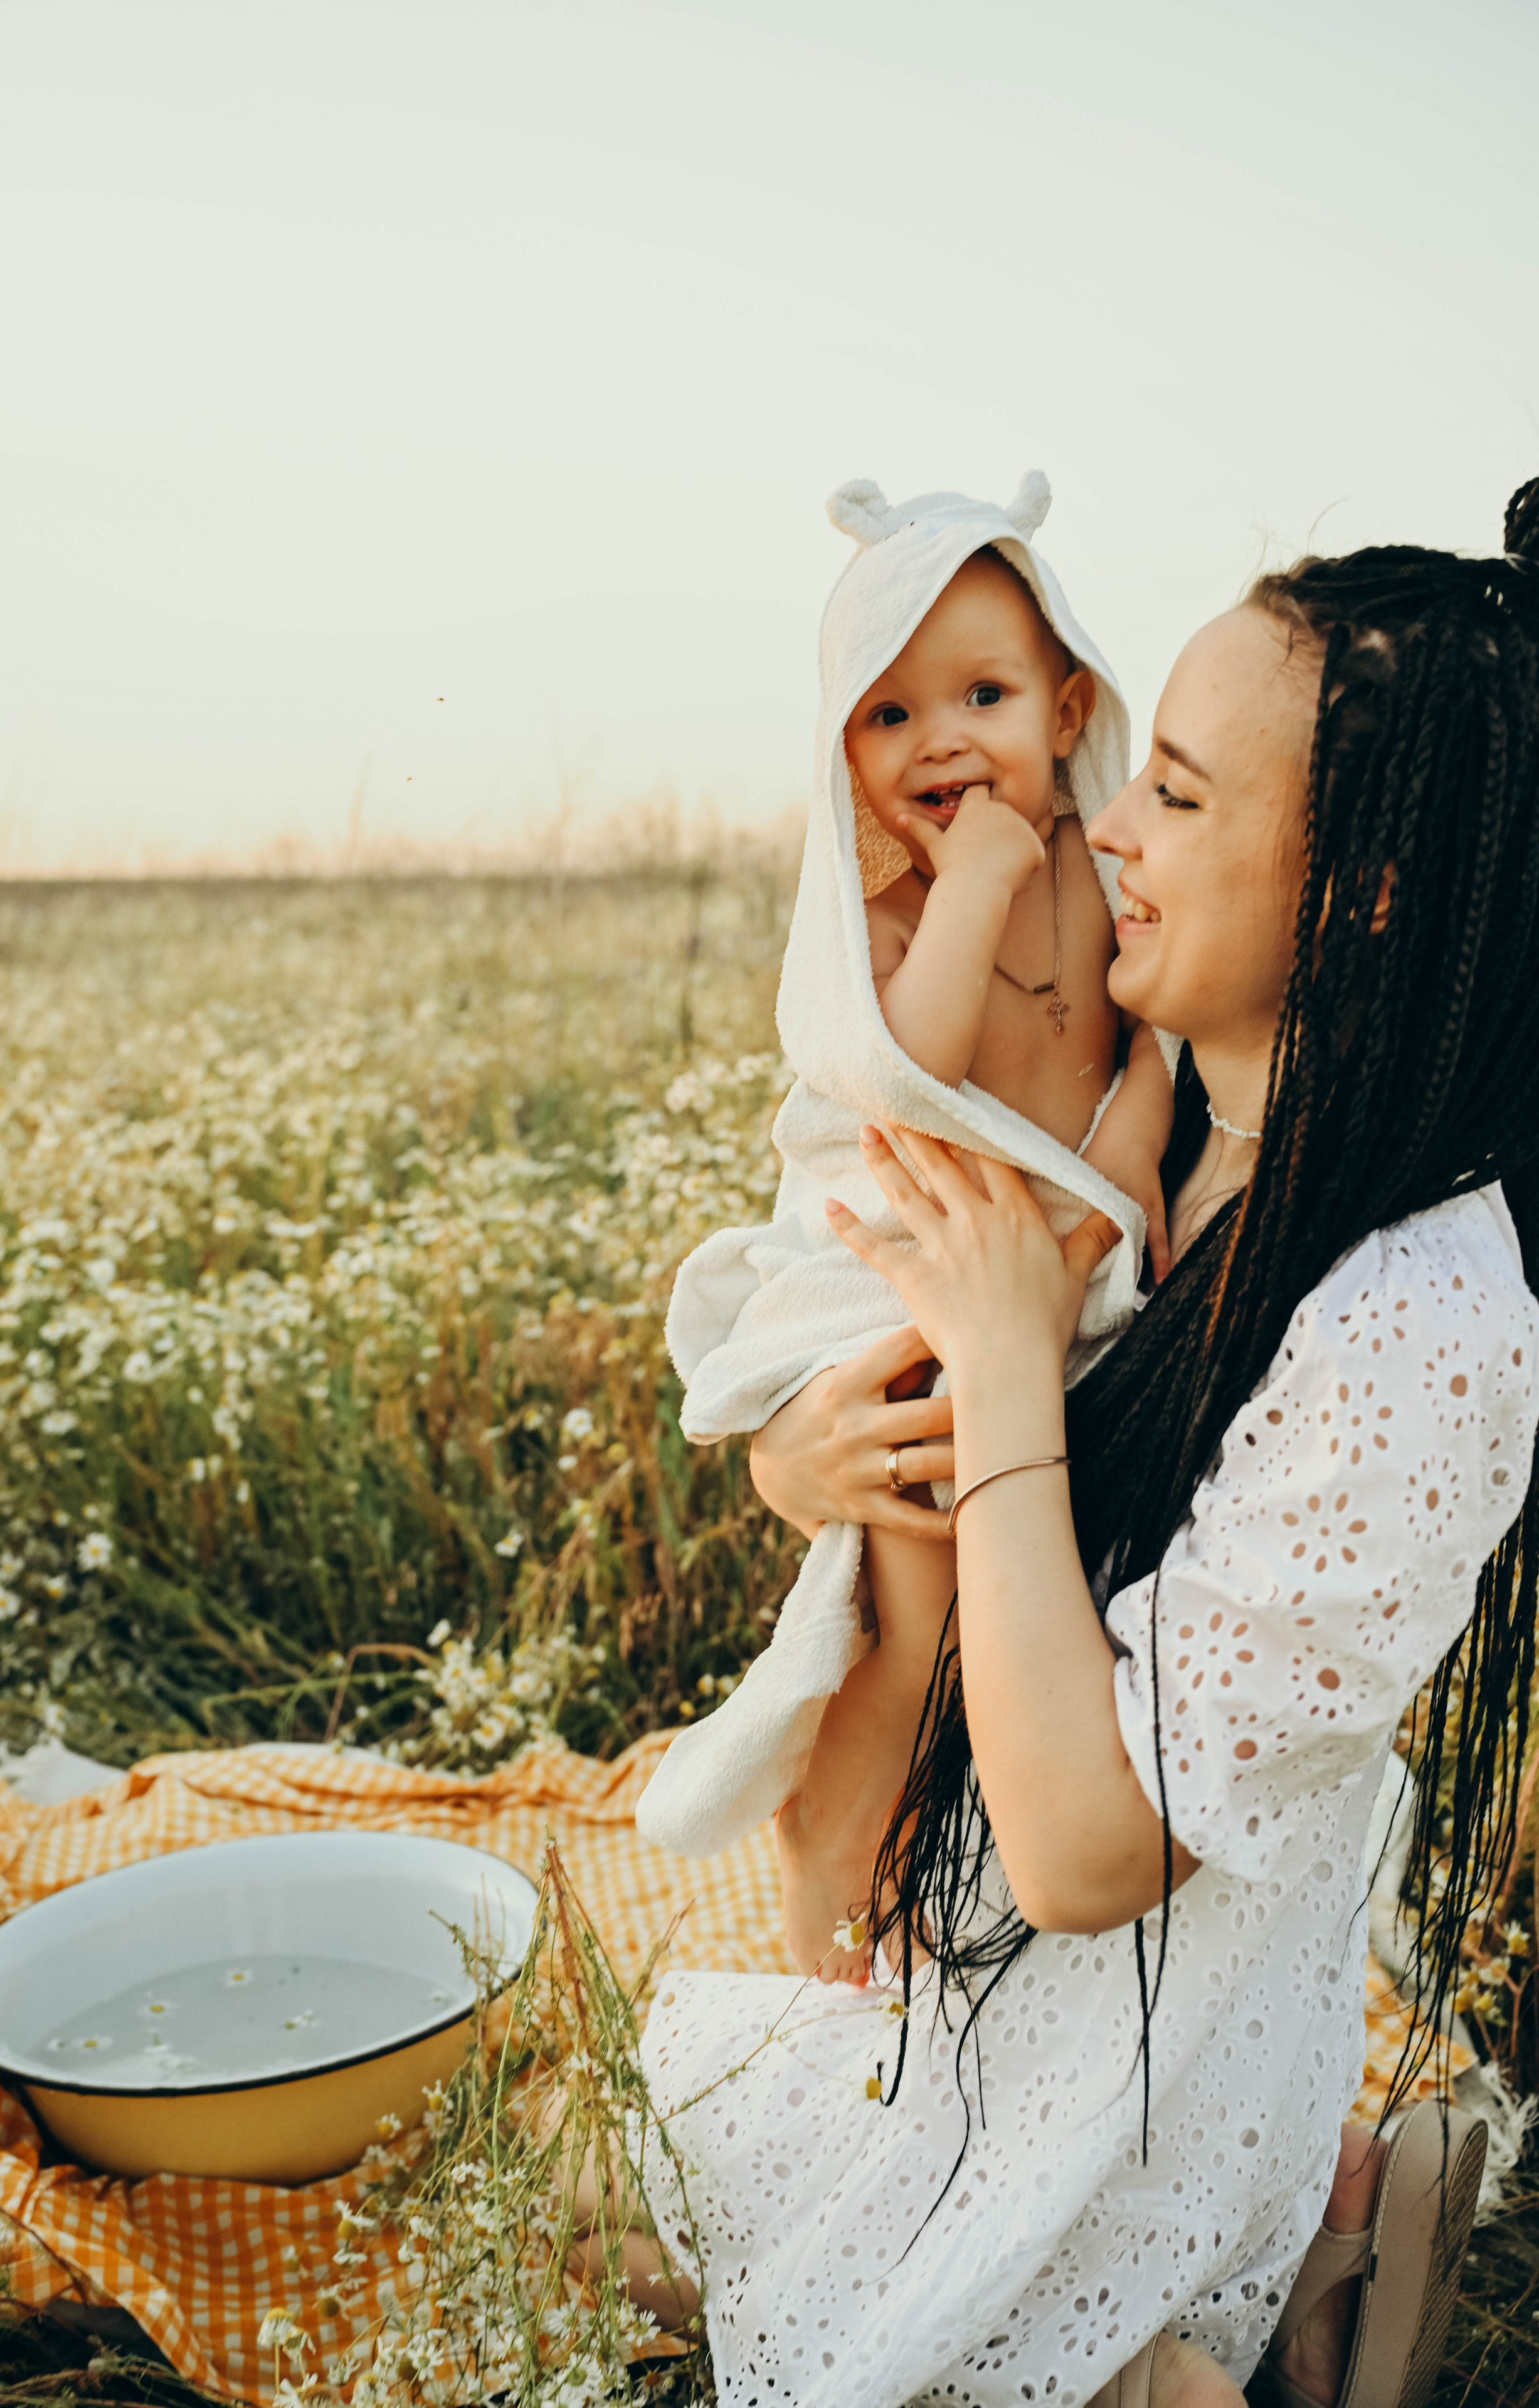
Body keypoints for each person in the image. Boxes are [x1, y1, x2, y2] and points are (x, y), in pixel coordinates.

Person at [630, 483, 1539, 2408]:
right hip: (1000, 1966)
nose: (1106, 823)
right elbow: (892, 1350)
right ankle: (1315, 2264)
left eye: (1185, 797)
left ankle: (1250, 2291)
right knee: (653, 2207)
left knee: (813, 2309)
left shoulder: (1426, 1324)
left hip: (1132, 2028)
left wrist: (1007, 1374)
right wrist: (809, 1450)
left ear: (1366, 888)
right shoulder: (1195, 1125)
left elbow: (1081, 1851)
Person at [637, 477, 1171, 1866]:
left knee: (1052, 1608)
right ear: (845, 752)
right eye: (888, 714)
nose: (938, 739)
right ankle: (839, 1913)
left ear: (1066, 714)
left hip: (1064, 1269)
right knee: (921, 1617)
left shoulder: (1110, 871)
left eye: (981, 696)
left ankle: (988, 1870)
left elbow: (1151, 1049)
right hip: (920, 1300)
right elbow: (908, 1064)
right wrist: (976, 879)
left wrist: (1119, 1197)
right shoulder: (888, 919)